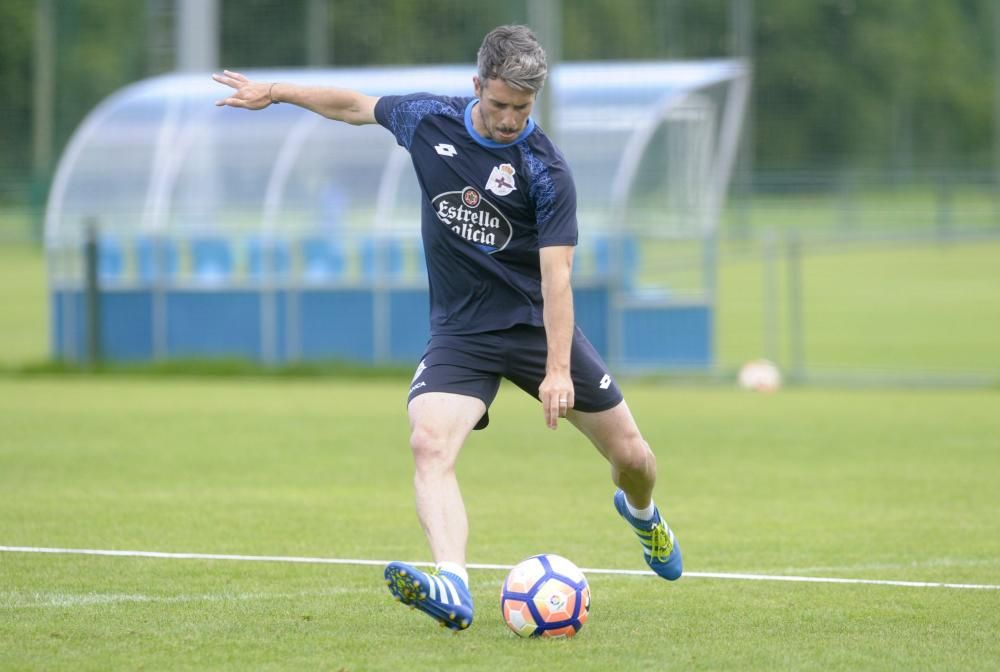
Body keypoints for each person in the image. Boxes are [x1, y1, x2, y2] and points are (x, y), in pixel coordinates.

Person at [213, 24, 682, 632]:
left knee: (634, 457)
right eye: (499, 104)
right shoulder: (427, 120)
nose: (511, 118)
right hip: (462, 333)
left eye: (523, 107)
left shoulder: (545, 170)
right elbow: (354, 106)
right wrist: (274, 91)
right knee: (428, 443)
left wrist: (559, 367)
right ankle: (452, 584)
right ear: (476, 86)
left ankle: (643, 515)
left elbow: (557, 277)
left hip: (537, 330)